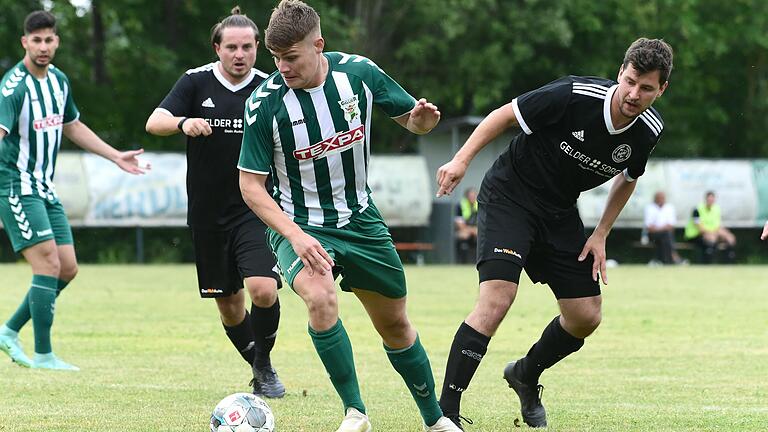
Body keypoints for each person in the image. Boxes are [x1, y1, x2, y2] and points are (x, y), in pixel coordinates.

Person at [238, 1, 460, 430]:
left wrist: (424, 122)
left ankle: (435, 420)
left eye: (292, 57)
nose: (282, 67)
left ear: (318, 45)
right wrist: (296, 237)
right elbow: (250, 187)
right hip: (298, 224)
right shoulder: (264, 105)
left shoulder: (358, 73)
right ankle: (355, 412)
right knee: (320, 298)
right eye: (276, 58)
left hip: (361, 220)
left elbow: (413, 121)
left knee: (395, 324)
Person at [434, 38, 673, 429]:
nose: (634, 94)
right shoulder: (572, 95)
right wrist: (461, 160)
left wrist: (601, 233)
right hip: (510, 195)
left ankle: (525, 374)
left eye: (646, 88)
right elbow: (504, 115)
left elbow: (629, 178)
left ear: (661, 89)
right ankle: (445, 415)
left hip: (559, 211)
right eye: (630, 81)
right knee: (497, 299)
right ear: (621, 72)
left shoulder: (648, 129)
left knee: (585, 316)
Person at [145, 7, 284, 398]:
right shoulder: (195, 82)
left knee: (262, 289)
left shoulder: (270, 87)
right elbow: (154, 122)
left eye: (247, 47)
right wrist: (182, 122)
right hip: (207, 212)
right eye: (232, 47)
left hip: (254, 207)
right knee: (229, 305)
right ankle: (263, 364)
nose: (239, 55)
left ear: (258, 47)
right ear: (217, 49)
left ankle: (263, 368)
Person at [0, 11, 148, 371]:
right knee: (48, 263)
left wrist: (115, 156)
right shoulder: (13, 86)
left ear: (57, 41)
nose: (43, 46)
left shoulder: (59, 81)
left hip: (45, 188)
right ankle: (44, 354)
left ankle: (8, 331)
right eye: (36, 40)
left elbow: (73, 126)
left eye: (49, 39)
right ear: (25, 42)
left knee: (67, 268)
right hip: (16, 187)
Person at [684, 191, 736, 264]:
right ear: (705, 199)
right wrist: (713, 233)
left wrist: (725, 234)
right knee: (711, 238)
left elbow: (717, 226)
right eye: (709, 200)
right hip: (694, 236)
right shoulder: (697, 209)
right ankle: (709, 263)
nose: (711, 201)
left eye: (712, 200)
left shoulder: (716, 209)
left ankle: (729, 263)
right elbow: (699, 227)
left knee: (730, 237)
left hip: (710, 234)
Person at [643, 190, 684, 265]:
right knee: (666, 235)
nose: (661, 200)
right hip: (652, 235)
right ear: (655, 198)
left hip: (665, 234)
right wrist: (664, 228)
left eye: (662, 198)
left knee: (666, 236)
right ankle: (673, 258)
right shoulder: (649, 208)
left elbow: (671, 226)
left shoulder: (670, 207)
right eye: (659, 198)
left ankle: (663, 261)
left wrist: (658, 228)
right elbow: (649, 228)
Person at [455, 188, 479, 264]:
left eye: (474, 195)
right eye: (471, 196)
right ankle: (462, 262)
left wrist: (476, 230)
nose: (473, 197)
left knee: (481, 235)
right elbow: (460, 225)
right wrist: (471, 230)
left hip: (476, 230)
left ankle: (477, 261)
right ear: (467, 196)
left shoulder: (479, 205)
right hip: (464, 230)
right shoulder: (460, 206)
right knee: (464, 235)